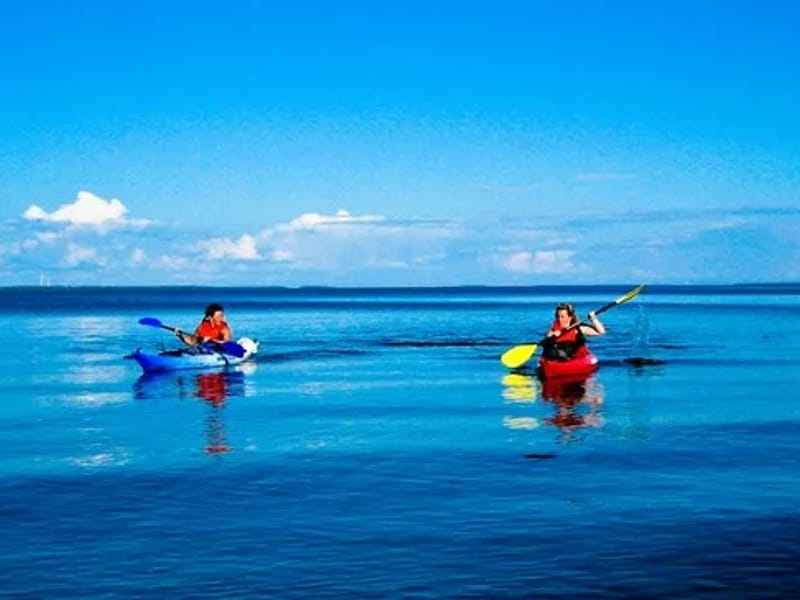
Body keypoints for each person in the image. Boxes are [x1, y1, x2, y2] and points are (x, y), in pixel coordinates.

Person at [541, 303, 605, 361]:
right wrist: (549, 337)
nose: (559, 319)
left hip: (574, 357)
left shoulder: (579, 328)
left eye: (562, 317)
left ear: (570, 317)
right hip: (556, 356)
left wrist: (593, 319)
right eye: (558, 316)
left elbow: (601, 332)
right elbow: (545, 345)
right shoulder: (553, 330)